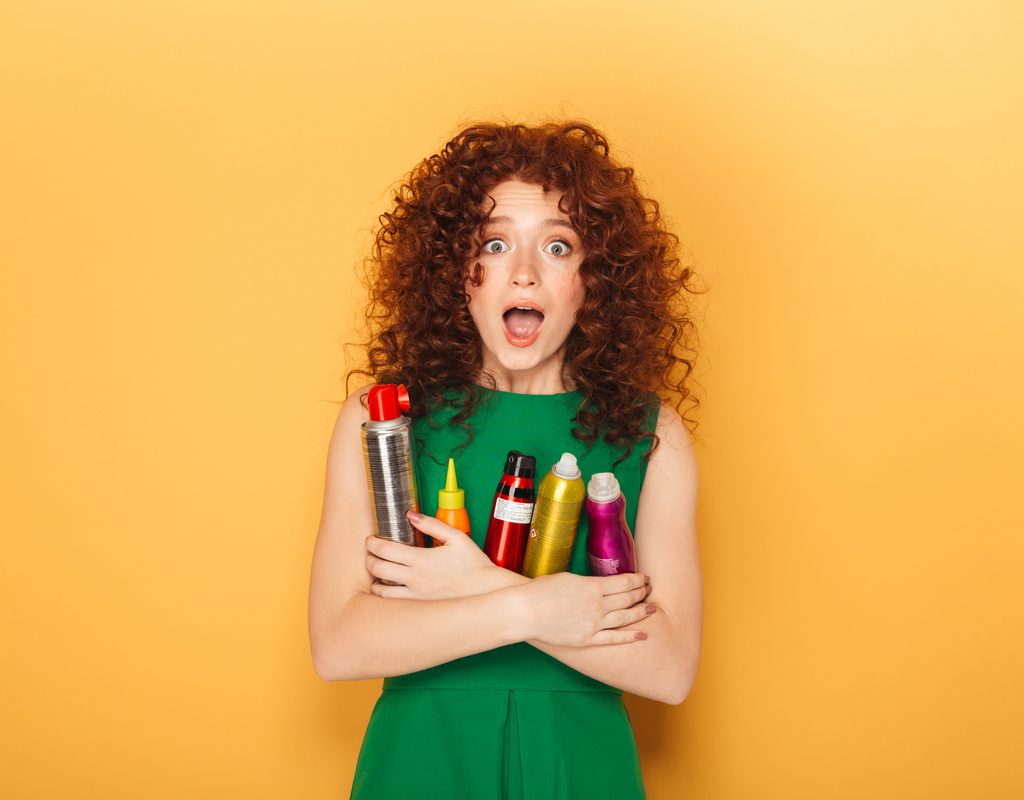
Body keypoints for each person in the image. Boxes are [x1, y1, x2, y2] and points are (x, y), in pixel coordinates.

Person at [308, 121, 704, 799]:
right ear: (458, 275)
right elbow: (339, 646)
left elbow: (669, 670)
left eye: (557, 245)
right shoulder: (383, 425)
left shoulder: (652, 435)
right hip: (419, 764)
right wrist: (531, 610)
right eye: (495, 243)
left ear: (594, 279)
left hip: (580, 768)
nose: (523, 271)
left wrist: (479, 584)